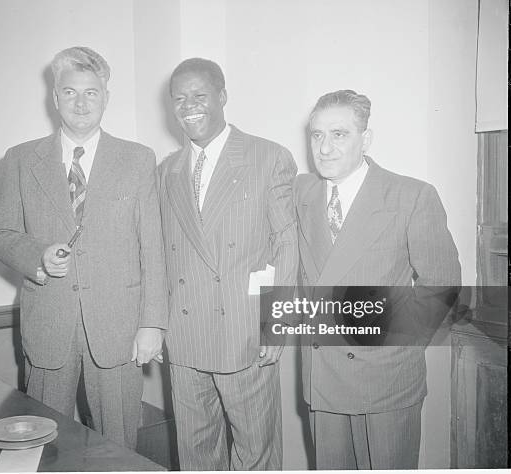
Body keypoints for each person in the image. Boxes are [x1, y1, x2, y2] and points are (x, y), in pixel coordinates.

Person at [0, 46, 167, 448]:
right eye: (70, 92)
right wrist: (38, 257)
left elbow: (153, 248)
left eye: (91, 92)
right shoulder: (19, 160)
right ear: (54, 98)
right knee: (43, 445)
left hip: (119, 330)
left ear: (106, 97)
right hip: (48, 326)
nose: (81, 102)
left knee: (117, 446)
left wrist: (152, 324)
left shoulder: (138, 159)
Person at [294, 89, 461, 469]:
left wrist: (396, 346)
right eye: (317, 135)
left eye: (339, 134)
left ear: (365, 139)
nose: (325, 147)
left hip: (386, 381)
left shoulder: (411, 196)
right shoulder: (301, 193)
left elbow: (443, 284)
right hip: (324, 378)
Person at [158, 58, 298, 470]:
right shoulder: (167, 170)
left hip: (244, 334)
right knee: (196, 454)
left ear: (222, 96)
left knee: (257, 452)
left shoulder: (267, 157)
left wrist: (278, 322)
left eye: (199, 95)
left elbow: (286, 245)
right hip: (184, 337)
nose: (190, 106)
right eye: (180, 99)